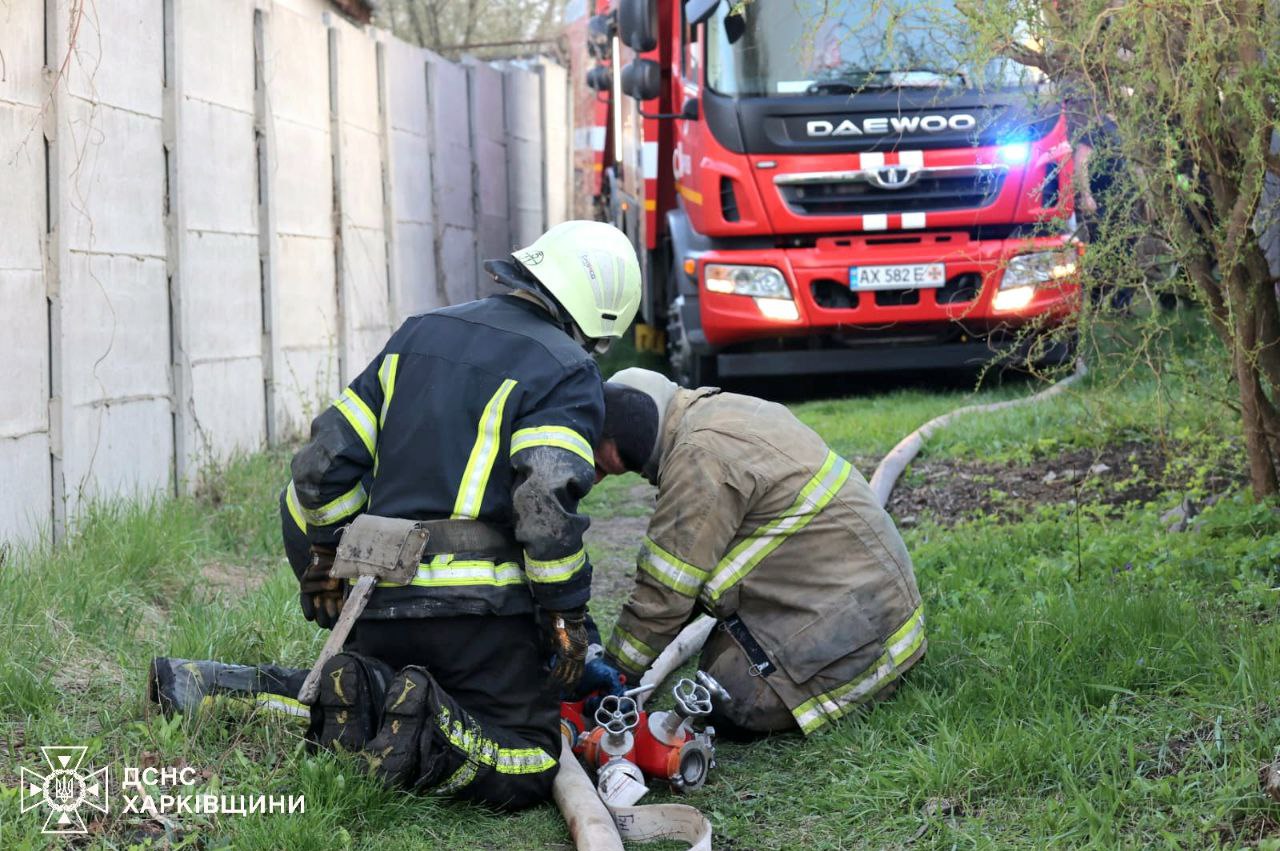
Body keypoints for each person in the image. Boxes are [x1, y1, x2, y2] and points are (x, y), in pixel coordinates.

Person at [276, 220, 640, 808]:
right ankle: (430, 728)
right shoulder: (566, 368)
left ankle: (369, 686)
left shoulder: (416, 335)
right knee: (531, 756)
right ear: (594, 323)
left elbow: (320, 465)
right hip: (479, 619)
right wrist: (567, 615)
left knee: (384, 688)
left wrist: (327, 554)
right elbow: (544, 500)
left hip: (378, 605)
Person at [590, 369, 925, 738]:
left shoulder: (697, 458)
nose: (596, 476)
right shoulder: (720, 412)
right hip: (867, 598)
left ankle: (858, 679)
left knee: (730, 696)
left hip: (860, 628)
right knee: (718, 659)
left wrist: (615, 672)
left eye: (595, 452)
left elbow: (665, 592)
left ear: (628, 425)